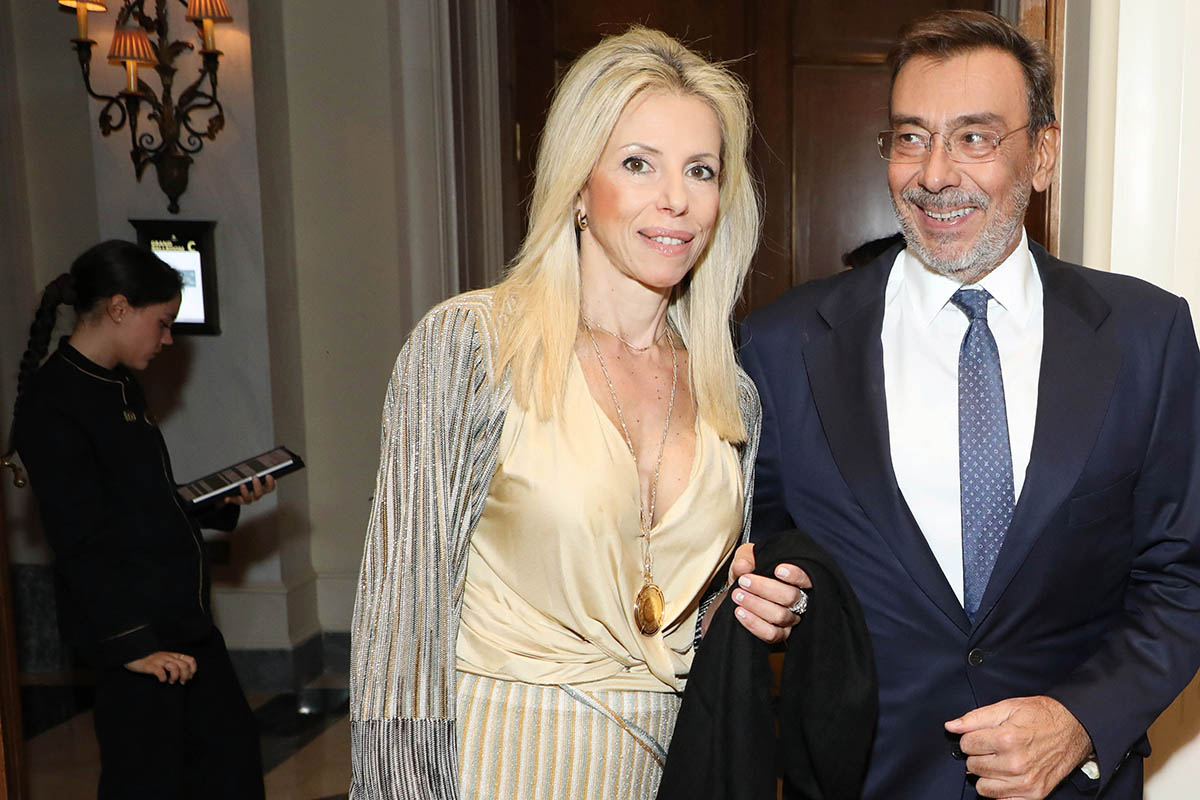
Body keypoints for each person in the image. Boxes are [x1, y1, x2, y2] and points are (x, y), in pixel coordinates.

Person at [740, 10, 1200, 800]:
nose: (934, 174)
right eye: (911, 137)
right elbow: (761, 551)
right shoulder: (783, 345)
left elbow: (1183, 578)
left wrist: (1082, 721)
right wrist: (769, 601)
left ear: (1042, 154)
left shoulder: (1145, 336)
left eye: (974, 137)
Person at [350, 26, 810, 800]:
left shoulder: (731, 393)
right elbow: (400, 627)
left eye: (700, 170)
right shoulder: (474, 346)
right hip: (497, 766)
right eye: (638, 163)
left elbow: (682, 618)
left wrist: (756, 610)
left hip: (674, 766)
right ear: (577, 184)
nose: (676, 198)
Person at [6, 240, 272, 799]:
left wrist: (220, 502)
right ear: (120, 308)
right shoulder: (53, 401)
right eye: (163, 323)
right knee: (146, 779)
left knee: (231, 760)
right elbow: (80, 538)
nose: (168, 339)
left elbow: (139, 501)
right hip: (133, 630)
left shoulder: (121, 381)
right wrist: (133, 645)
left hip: (180, 617)